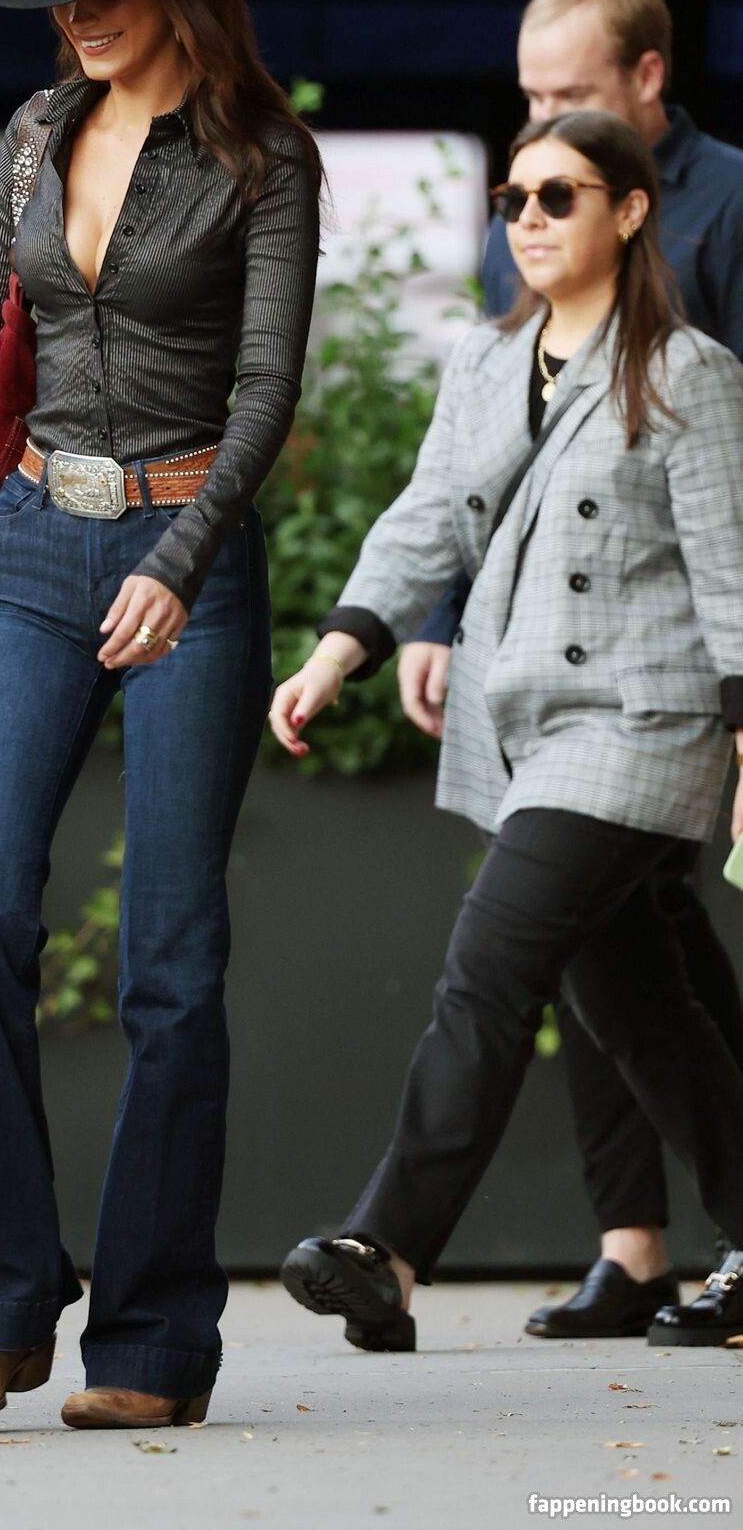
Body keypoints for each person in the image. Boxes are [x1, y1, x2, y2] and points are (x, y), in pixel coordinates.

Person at [0, 0, 322, 1429]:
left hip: (189, 563)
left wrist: (179, 560)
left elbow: (264, 392)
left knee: (168, 962)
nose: (80, 13)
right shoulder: (36, 134)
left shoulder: (265, 157)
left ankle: (150, 1345)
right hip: (42, 546)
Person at [272, 110, 743, 1353]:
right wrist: (338, 650)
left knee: (488, 968)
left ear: (628, 211)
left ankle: (385, 1247)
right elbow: (429, 513)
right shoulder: (486, 360)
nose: (528, 219)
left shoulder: (688, 371)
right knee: (641, 1011)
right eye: (512, 200)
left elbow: (731, 572)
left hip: (642, 724)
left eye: (558, 196)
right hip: (526, 725)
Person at [400, 0, 743, 1340]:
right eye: (527, 98)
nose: (538, 129)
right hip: (545, 662)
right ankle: (632, 1248)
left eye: (569, 94)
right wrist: (437, 620)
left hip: (675, 656)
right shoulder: (530, 217)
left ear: (647, 78)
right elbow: (490, 465)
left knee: (622, 947)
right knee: (616, 950)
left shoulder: (731, 205)